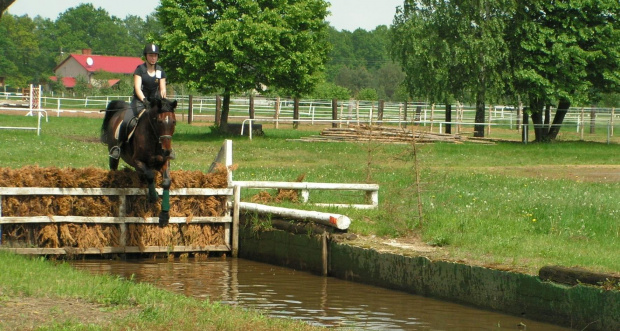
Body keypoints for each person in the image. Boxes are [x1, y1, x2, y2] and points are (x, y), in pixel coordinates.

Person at [109, 43, 167, 159]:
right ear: (146, 56)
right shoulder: (140, 70)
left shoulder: (160, 71)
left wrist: (163, 101)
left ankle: (166, 149)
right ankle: (118, 147)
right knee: (127, 121)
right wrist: (144, 100)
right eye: (151, 55)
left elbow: (162, 88)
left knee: (165, 123)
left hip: (154, 103)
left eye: (155, 55)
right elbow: (137, 88)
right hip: (139, 101)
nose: (153, 58)